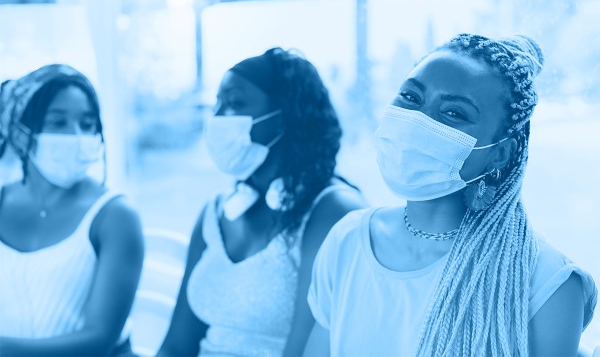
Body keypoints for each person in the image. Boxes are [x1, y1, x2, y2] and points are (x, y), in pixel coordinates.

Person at [304, 34, 597, 357]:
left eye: (454, 113)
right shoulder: (347, 240)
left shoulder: (546, 281)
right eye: (411, 97)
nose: (418, 119)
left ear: (499, 153)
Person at [157, 48, 365, 357]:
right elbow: (176, 346)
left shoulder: (332, 211)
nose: (218, 117)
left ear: (286, 116)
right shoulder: (215, 213)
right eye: (218, 104)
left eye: (235, 103)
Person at [0, 64, 144, 356]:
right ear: (18, 134)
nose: (76, 136)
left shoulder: (116, 216)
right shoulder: (3, 199)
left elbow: (99, 339)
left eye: (87, 124)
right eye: (57, 122)